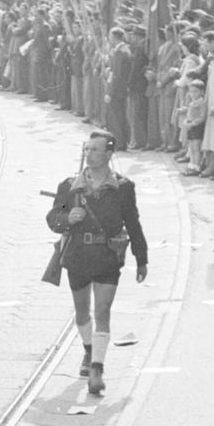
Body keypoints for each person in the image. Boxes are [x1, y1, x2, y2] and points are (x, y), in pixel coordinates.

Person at [43, 128, 149, 399]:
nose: (89, 155)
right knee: (82, 312)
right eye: (87, 149)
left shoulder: (122, 188)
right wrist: (68, 219)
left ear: (109, 154)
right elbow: (53, 218)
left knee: (102, 310)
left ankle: (97, 369)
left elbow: (133, 223)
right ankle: (89, 349)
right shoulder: (70, 186)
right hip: (78, 254)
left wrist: (141, 258)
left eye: (95, 150)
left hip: (107, 255)